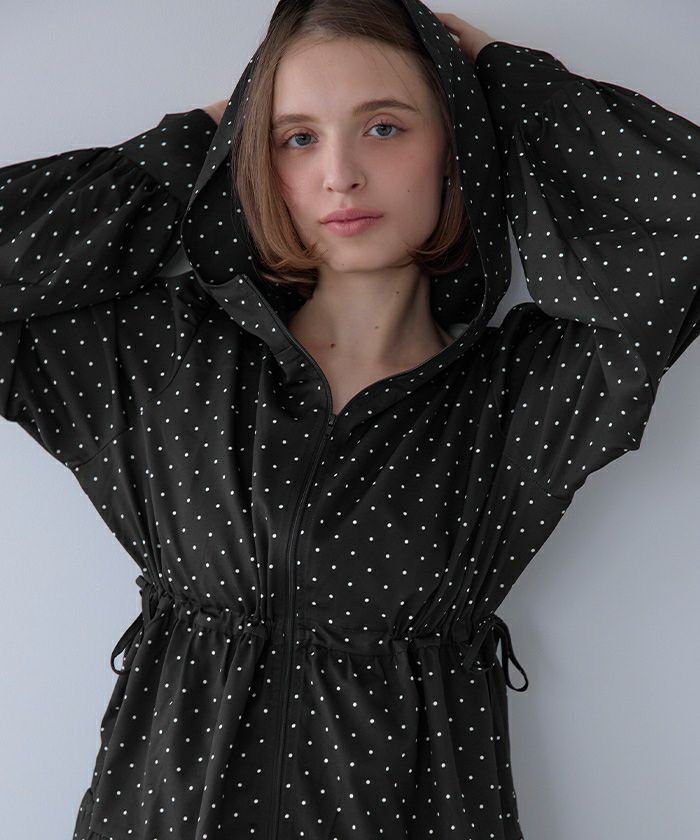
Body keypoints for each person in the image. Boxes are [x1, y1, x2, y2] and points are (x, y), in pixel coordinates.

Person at [1, 1, 698, 838]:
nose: (340, 175)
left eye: (384, 128)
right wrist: (189, 152)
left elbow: (685, 228)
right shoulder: (164, 356)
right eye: (297, 138)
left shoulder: (527, 393)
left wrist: (510, 84)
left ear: (456, 145)